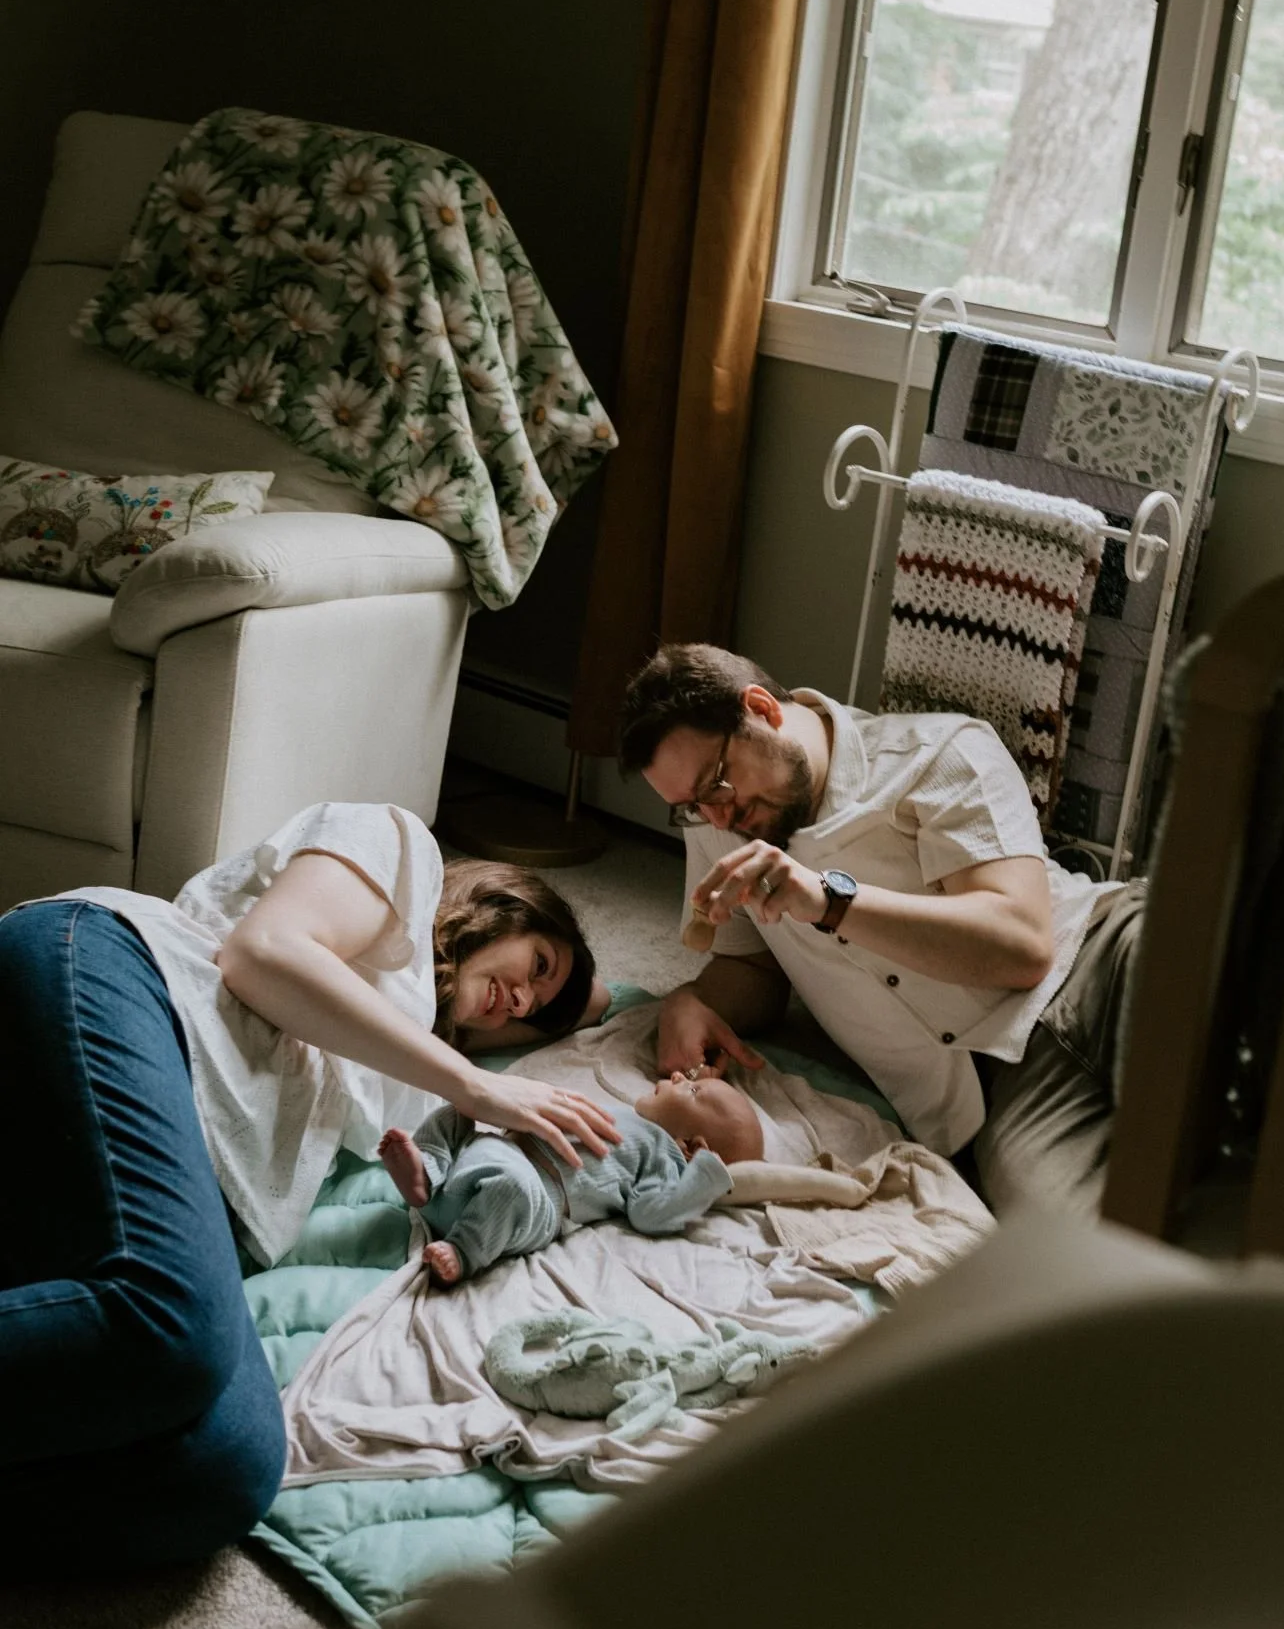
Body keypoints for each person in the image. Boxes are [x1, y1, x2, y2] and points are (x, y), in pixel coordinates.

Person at [0, 804, 620, 1578]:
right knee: (171, 1324)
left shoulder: (410, 1069)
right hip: (121, 980)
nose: (525, 1001)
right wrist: (474, 1086)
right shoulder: (402, 853)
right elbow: (260, 954)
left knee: (226, 1472)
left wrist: (615, 1012)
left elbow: (601, 1006)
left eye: (533, 1013)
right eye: (539, 964)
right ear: (502, 907)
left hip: (157, 1164)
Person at [619, 644, 1137, 1215]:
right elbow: (754, 967)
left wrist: (831, 901)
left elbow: (1024, 947)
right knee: (1076, 1246)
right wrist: (693, 1001)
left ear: (762, 709)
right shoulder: (721, 827)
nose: (717, 817)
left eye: (717, 784)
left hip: (1100, 952)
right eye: (692, 806)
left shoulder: (939, 753)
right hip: (1000, 1090)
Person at [378, 1070, 766, 1286]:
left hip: (536, 1200)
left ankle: (463, 1253)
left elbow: (651, 1214)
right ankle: (426, 1175)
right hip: (491, 1153)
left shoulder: (662, 1154)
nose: (680, 1075)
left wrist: (706, 1178)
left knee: (509, 1188)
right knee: (457, 1110)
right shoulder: (627, 1117)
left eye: (693, 1088)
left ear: (691, 1146)